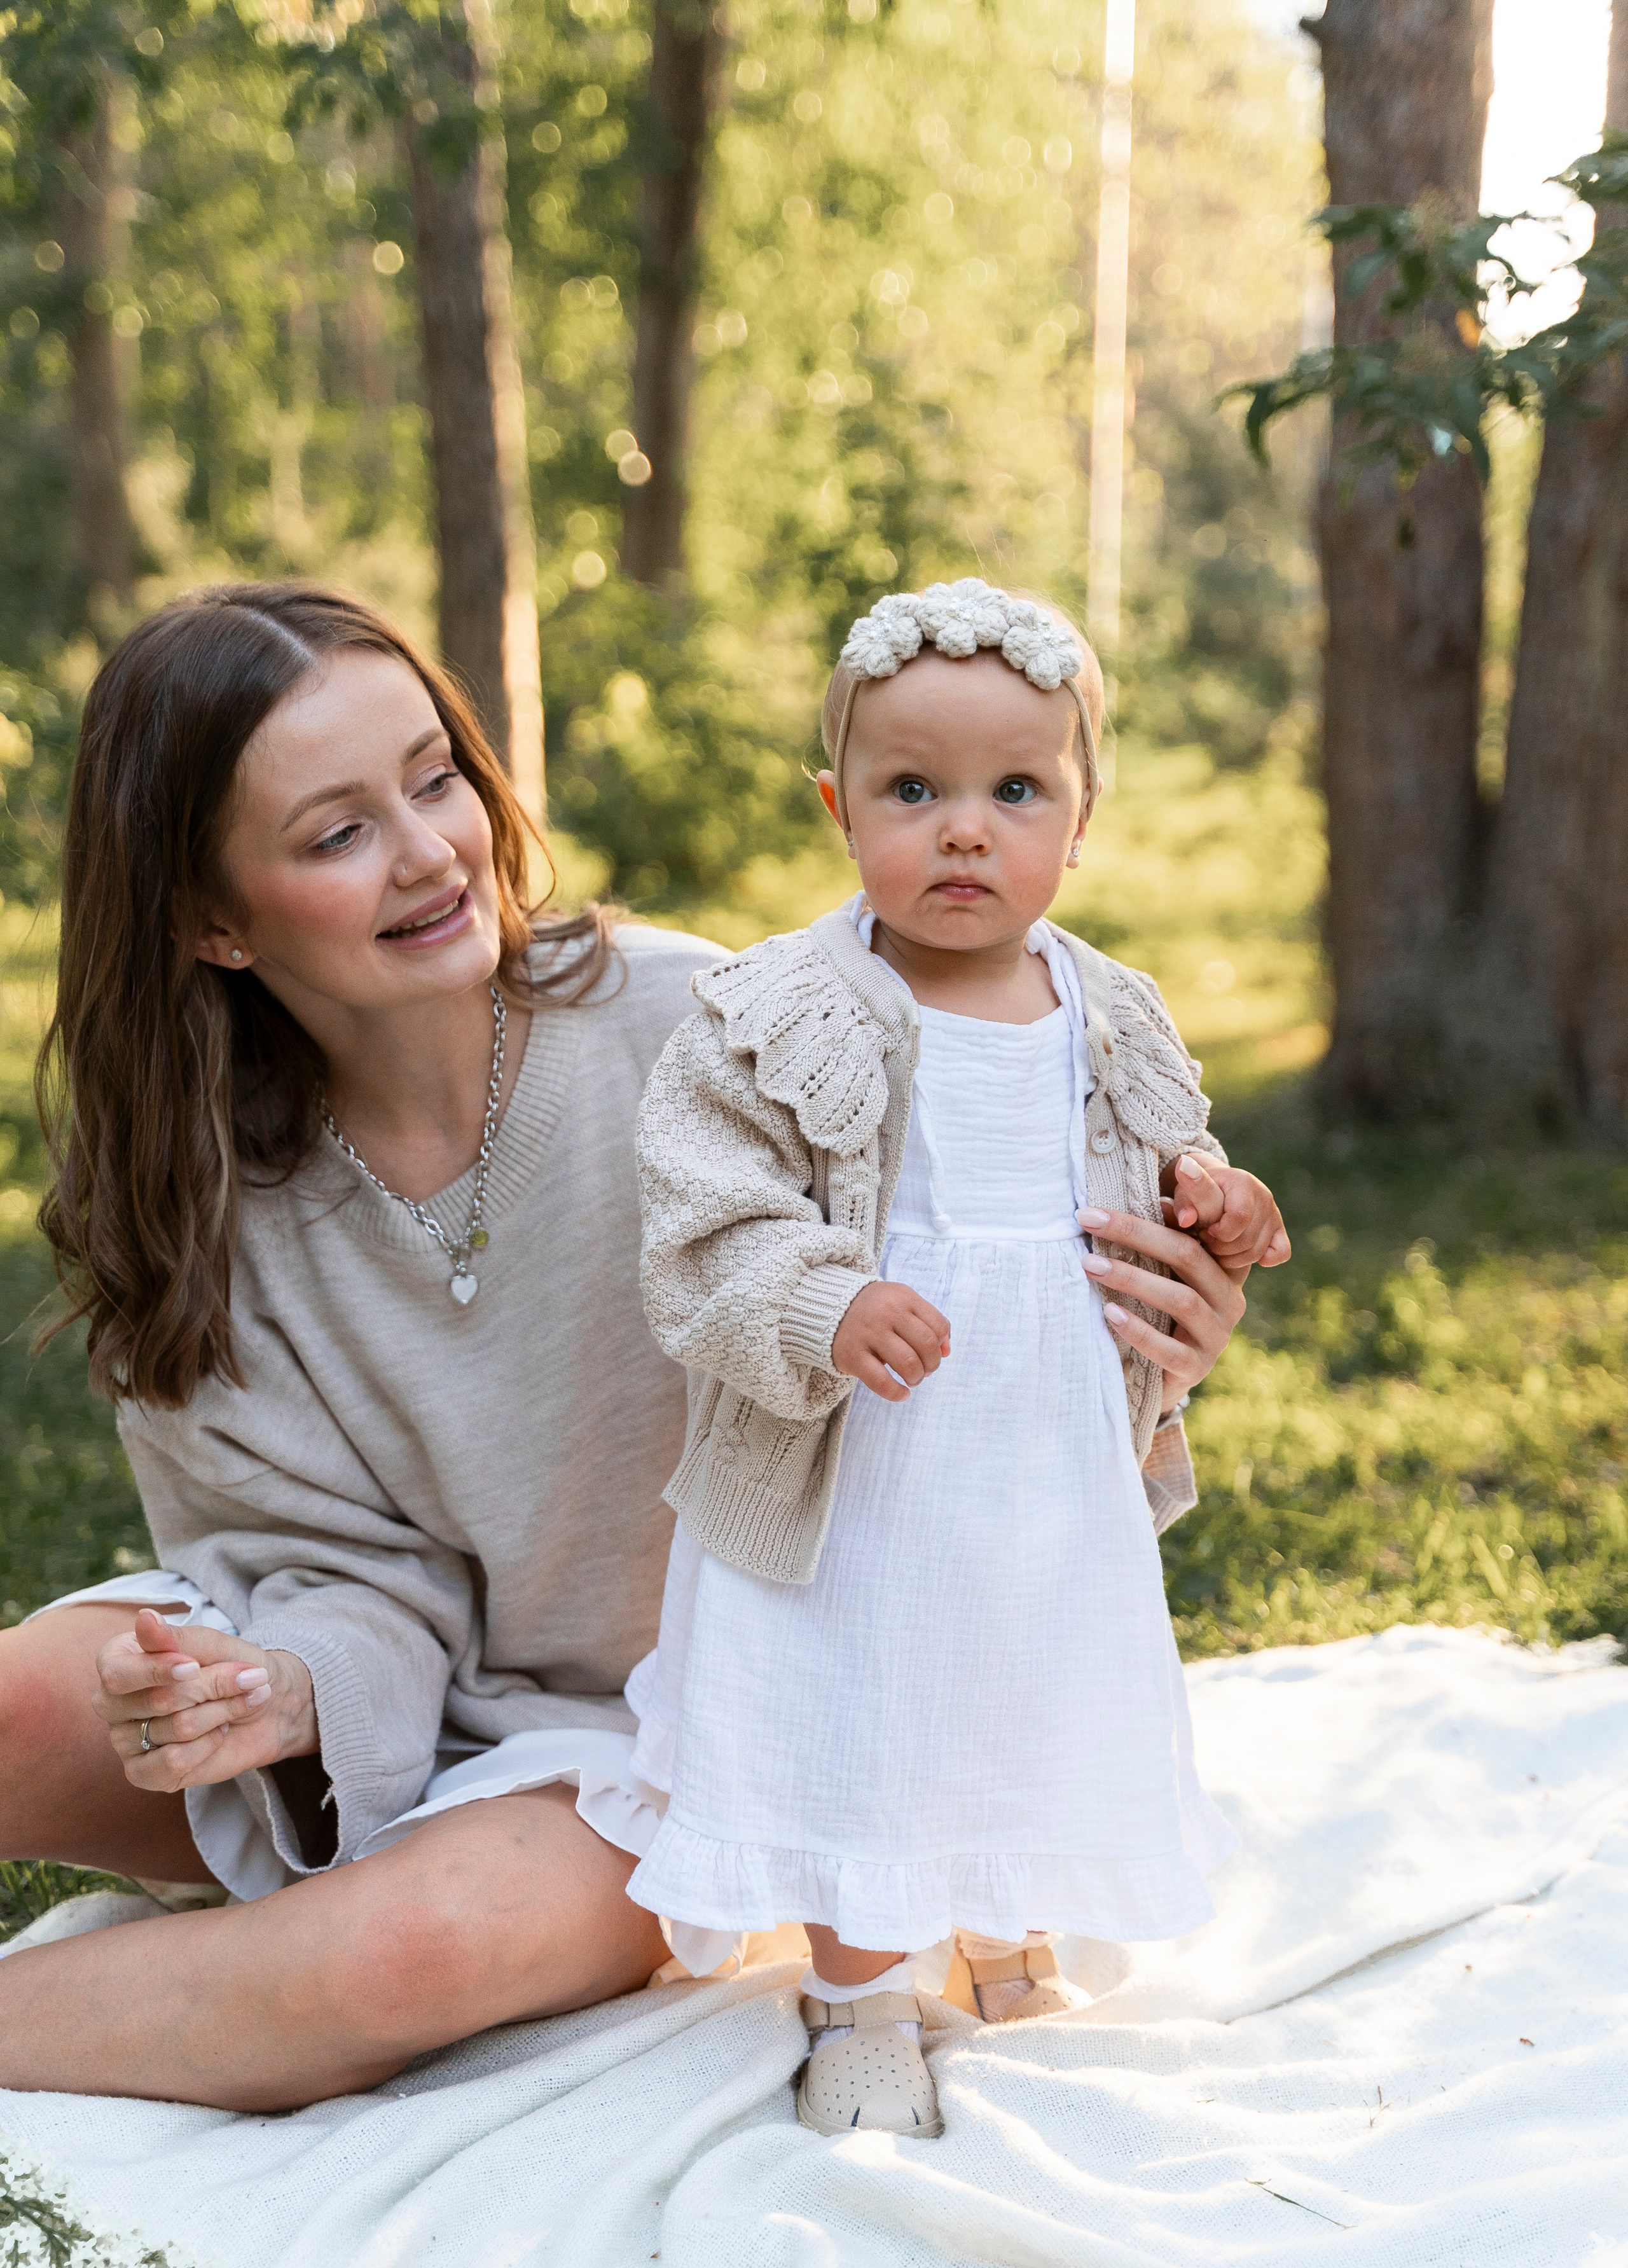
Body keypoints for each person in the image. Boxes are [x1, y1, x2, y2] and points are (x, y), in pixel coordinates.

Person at [0, 580, 1255, 2114]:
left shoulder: (713, 1025)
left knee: (404, 1955)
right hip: (374, 1677)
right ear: (208, 919)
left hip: (697, 1718)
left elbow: (995, 1292)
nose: (427, 854)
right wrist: (278, 1687)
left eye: (435, 778)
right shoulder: (195, 1203)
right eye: (334, 835)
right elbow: (325, 1565)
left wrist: (1164, 1336)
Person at [626, 580, 1289, 2138]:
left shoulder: (1107, 1010)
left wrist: (1221, 1202)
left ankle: (1001, 1913)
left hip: (1044, 1452)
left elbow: (1162, 1161)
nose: (962, 831)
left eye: (1014, 792)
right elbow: (701, 1225)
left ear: (1080, 816)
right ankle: (857, 1993)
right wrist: (819, 1308)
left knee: (1024, 1675)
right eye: (909, 791)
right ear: (836, 806)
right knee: (865, 1693)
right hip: (859, 1455)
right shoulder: (772, 1012)